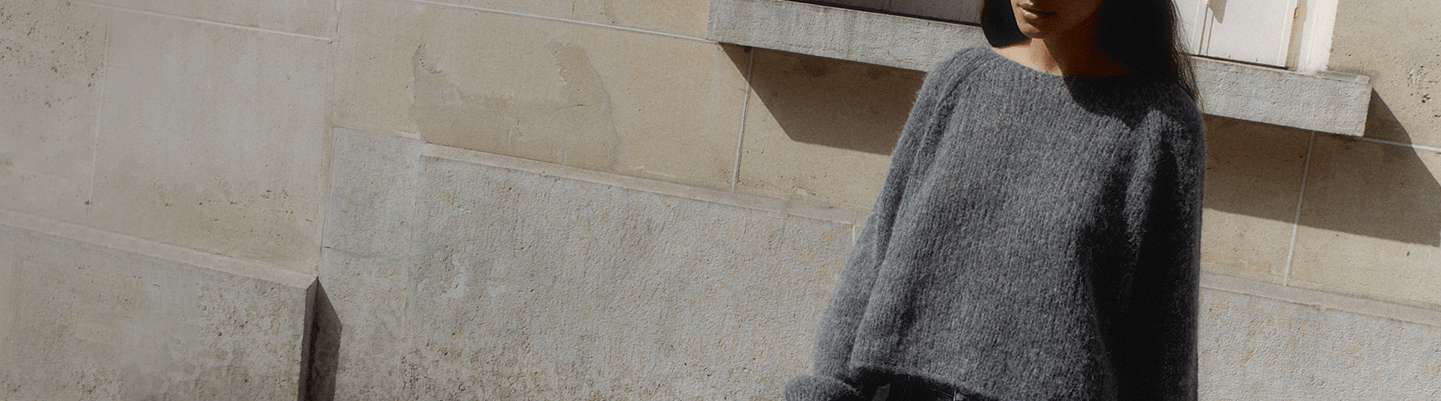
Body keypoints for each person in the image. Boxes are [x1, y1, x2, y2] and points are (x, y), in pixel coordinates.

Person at [783, 0, 1205, 399]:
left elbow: (1164, 341)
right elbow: (875, 255)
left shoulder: (1162, 127)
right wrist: (826, 388)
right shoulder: (960, 81)